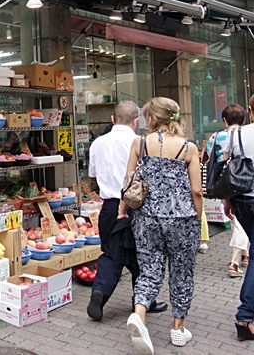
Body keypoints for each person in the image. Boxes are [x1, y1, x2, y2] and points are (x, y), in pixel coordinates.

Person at [123, 97, 202, 354]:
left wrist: (122, 209)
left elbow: (129, 181)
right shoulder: (188, 148)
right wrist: (198, 219)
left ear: (153, 118)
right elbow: (197, 191)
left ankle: (139, 314)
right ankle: (178, 329)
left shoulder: (140, 142)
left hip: (146, 218)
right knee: (182, 271)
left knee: (149, 269)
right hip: (182, 219)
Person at [86, 100, 167, 322]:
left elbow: (93, 175)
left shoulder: (98, 143)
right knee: (142, 254)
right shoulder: (140, 142)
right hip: (137, 206)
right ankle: (142, 301)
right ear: (136, 121)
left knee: (111, 252)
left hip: (109, 206)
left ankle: (99, 292)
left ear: (113, 119)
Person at [223, 90, 254, 342]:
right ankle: (245, 317)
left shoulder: (236, 134)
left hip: (241, 201)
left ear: (251, 111)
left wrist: (226, 202)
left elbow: (226, 169)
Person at [205, 103, 249, 277]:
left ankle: (245, 255)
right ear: (244, 120)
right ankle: (235, 261)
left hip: (224, 183)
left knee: (234, 219)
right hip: (244, 180)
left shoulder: (215, 137)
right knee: (241, 222)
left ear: (224, 120)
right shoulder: (247, 135)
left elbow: (210, 158)